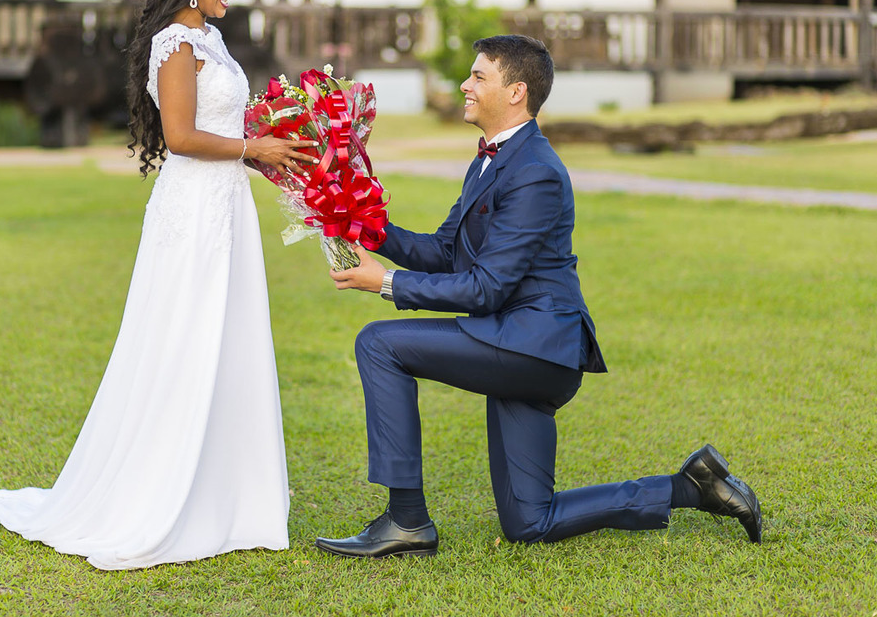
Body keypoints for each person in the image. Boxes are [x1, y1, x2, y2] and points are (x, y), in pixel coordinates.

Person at [0, 0, 316, 570]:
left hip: (226, 205)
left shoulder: (214, 38)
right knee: (183, 337)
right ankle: (162, 492)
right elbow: (180, 135)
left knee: (228, 336)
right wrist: (249, 147)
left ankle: (232, 495)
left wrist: (270, 153)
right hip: (193, 210)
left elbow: (226, 123)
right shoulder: (175, 44)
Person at [317, 35, 761, 558]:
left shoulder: (537, 173)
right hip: (513, 344)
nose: (464, 84)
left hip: (535, 346)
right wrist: (363, 220)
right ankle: (692, 487)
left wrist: (386, 283)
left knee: (378, 343)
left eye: (479, 76)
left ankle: (407, 521)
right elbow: (443, 250)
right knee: (530, 522)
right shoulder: (492, 159)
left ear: (516, 92)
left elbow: (485, 288)